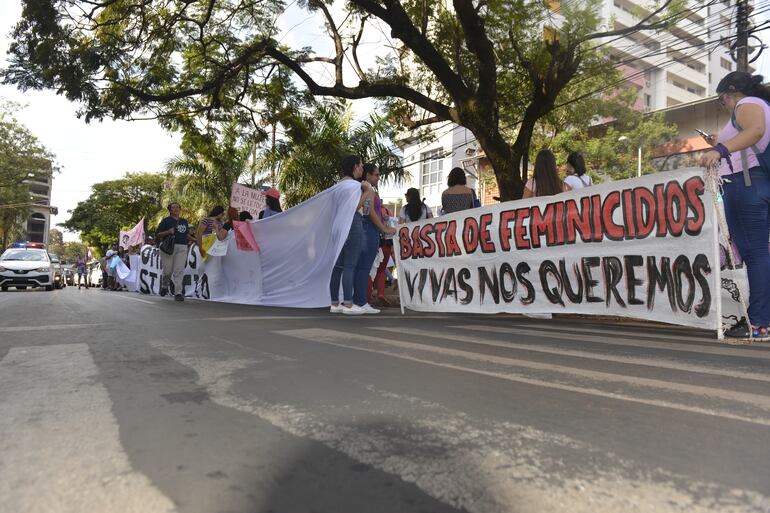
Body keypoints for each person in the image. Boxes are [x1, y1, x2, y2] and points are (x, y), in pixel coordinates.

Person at [700, 72, 770, 340]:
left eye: (722, 100)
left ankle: (759, 322)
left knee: (755, 254)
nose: (724, 106)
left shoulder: (746, 104)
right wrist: (720, 142)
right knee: (759, 253)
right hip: (756, 183)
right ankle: (762, 318)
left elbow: (755, 131)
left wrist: (720, 150)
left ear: (730, 94)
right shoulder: (759, 106)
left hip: (746, 184)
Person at [353, 163, 397, 314]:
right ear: (368, 175)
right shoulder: (368, 191)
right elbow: (368, 211)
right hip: (368, 231)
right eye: (376, 175)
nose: (379, 178)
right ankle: (361, 301)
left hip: (365, 230)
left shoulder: (362, 189)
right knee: (364, 268)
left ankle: (359, 300)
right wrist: (384, 228)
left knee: (361, 268)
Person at [330, 155, 367, 315]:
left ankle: (334, 302)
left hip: (338, 225)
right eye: (361, 165)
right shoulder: (355, 186)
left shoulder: (337, 186)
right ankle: (349, 304)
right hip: (352, 223)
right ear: (354, 167)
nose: (362, 168)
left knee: (338, 266)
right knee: (350, 265)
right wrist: (368, 191)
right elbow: (355, 207)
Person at [156, 202, 191, 301]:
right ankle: (164, 285)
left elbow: (186, 235)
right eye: (173, 207)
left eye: (177, 207)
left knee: (179, 270)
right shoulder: (166, 221)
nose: (176, 209)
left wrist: (195, 240)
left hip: (182, 247)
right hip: (168, 248)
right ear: (170, 210)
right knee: (167, 271)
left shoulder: (184, 221)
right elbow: (158, 234)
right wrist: (168, 232)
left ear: (180, 209)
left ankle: (178, 293)